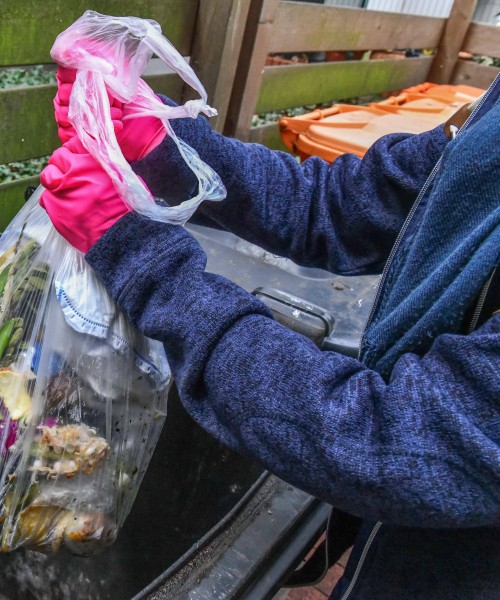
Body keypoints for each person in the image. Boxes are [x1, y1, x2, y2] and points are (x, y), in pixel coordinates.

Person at [40, 67, 500, 599]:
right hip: (397, 544)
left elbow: (395, 439)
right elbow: (345, 204)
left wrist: (145, 263)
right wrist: (170, 151)